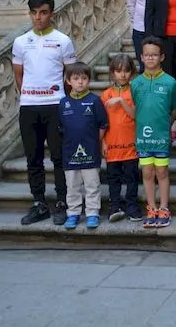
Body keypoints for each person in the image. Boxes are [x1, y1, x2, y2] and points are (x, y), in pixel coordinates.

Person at [12, 0, 77, 226]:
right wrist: (31, 95)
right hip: (29, 107)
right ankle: (39, 203)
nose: (38, 17)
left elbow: (70, 77)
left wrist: (60, 99)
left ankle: (62, 202)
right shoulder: (20, 42)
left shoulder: (63, 40)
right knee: (34, 158)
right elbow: (19, 77)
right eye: (34, 13)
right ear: (30, 14)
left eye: (43, 13)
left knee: (59, 157)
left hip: (55, 106)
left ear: (52, 14)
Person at [131, 36, 176, 228]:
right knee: (148, 172)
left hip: (161, 136)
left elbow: (174, 109)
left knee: (161, 172)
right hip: (143, 137)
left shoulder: (170, 82)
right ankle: (151, 207)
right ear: (141, 57)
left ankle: (164, 207)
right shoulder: (136, 83)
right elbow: (135, 108)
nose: (150, 59)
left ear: (162, 57)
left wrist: (169, 125)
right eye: (147, 55)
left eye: (154, 55)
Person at [58, 62, 108, 230]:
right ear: (68, 81)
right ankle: (73, 213)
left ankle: (93, 213)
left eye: (84, 78)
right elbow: (59, 129)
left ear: (89, 80)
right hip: (70, 152)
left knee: (92, 185)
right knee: (72, 186)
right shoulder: (63, 103)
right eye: (76, 78)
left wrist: (96, 142)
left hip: (91, 152)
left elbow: (103, 125)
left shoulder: (94, 101)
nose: (80, 82)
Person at [100, 54, 142, 223]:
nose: (122, 75)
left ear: (131, 73)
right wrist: (102, 142)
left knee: (132, 177)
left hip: (130, 144)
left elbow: (134, 115)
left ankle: (132, 205)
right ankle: (114, 205)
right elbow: (102, 123)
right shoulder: (105, 94)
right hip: (112, 145)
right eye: (118, 71)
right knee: (113, 178)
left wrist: (121, 101)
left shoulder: (134, 91)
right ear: (112, 73)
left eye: (126, 71)